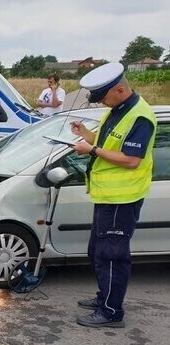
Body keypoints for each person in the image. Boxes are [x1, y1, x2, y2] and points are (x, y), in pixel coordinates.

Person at [69, 62, 156, 328]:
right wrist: (86, 135)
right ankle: (103, 298)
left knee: (112, 256)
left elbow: (131, 159)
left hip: (123, 198)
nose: (101, 102)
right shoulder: (117, 110)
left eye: (103, 96)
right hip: (106, 196)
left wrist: (91, 151)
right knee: (97, 251)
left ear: (119, 90)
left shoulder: (140, 116)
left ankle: (111, 312)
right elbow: (107, 142)